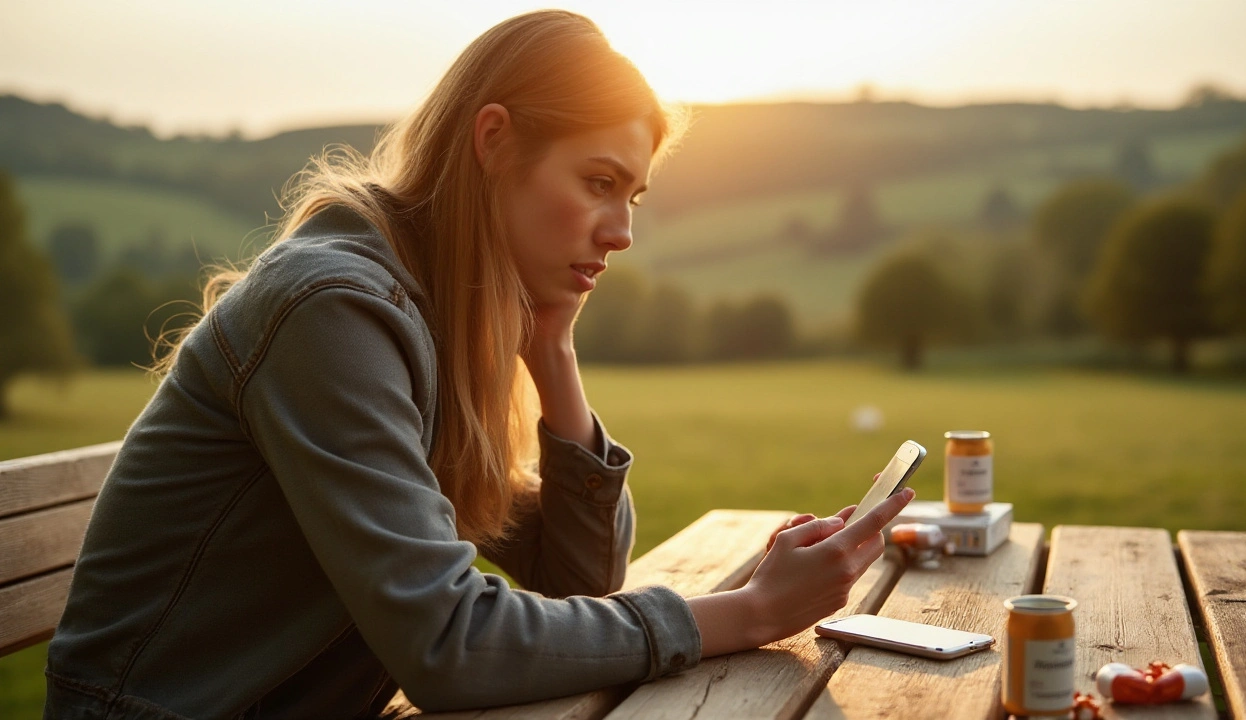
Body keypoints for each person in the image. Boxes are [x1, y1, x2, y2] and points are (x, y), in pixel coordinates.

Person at [44, 10, 913, 718]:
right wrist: (748, 611)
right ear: (493, 140)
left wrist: (552, 348)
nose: (623, 232)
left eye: (634, 195)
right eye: (599, 182)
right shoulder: (334, 311)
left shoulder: (435, 313)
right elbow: (450, 647)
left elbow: (579, 577)